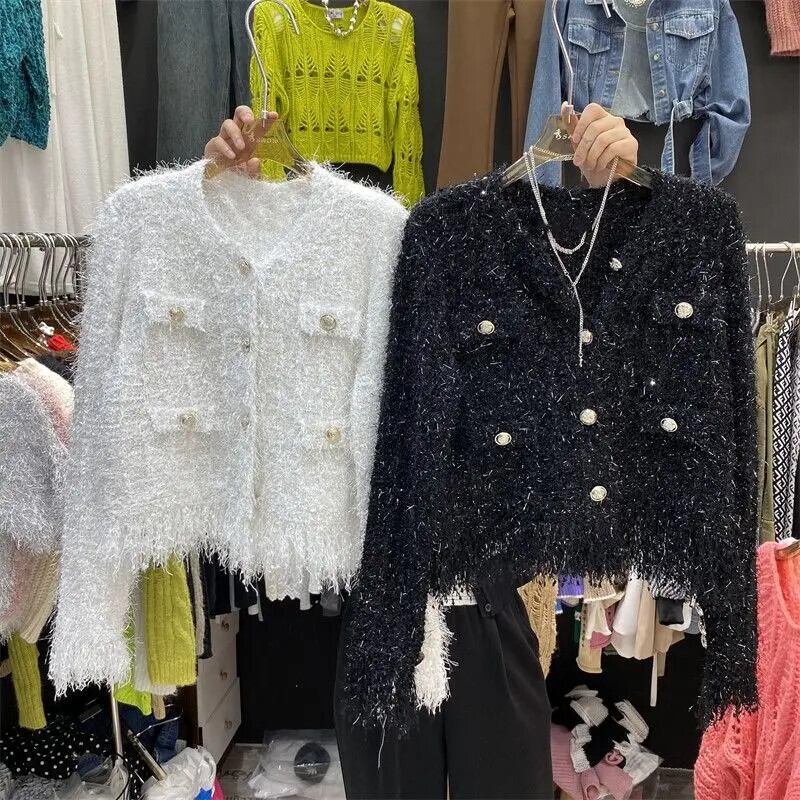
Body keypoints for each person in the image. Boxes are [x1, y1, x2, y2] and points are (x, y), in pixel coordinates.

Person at [204, 102, 641, 799]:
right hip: (383, 598)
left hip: (497, 600)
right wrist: (232, 211)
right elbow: (241, 353)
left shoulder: (533, 269)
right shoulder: (360, 253)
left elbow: (620, 364)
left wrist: (618, 199)